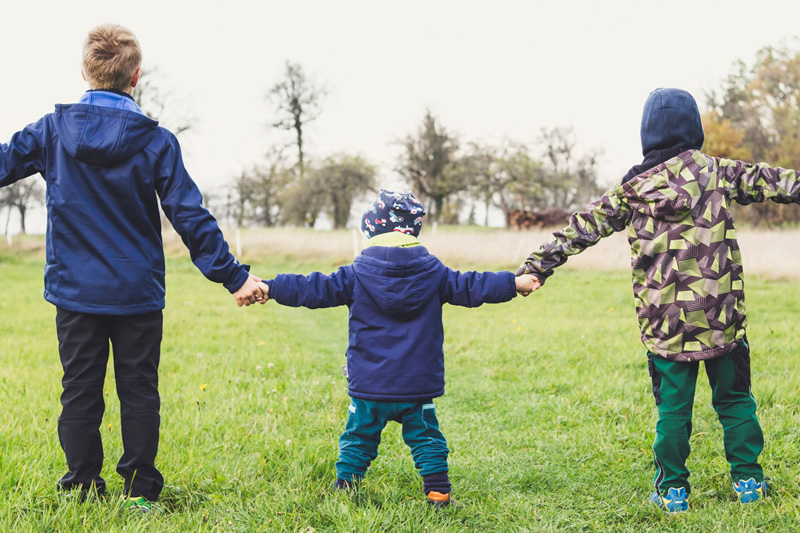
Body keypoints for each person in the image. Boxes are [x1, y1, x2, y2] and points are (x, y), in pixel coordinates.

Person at [0, 24, 265, 511]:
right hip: (137, 293)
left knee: (79, 391)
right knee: (139, 390)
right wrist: (235, 276)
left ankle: (81, 487)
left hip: (76, 293)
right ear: (136, 76)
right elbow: (189, 214)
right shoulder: (157, 141)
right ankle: (141, 493)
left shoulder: (53, 131)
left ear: (84, 71)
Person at [516, 88, 800, 512]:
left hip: (666, 326)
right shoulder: (716, 172)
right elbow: (777, 181)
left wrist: (537, 267)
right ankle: (749, 484)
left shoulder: (631, 190)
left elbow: (580, 227)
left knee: (673, 410)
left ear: (647, 136)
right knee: (735, 400)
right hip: (721, 318)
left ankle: (673, 492)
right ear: (696, 130)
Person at [261, 190, 538, 507]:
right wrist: (514, 283)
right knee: (426, 439)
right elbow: (474, 285)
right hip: (416, 385)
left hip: (369, 385)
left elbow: (312, 288)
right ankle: (437, 492)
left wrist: (270, 287)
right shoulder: (435, 273)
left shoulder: (355, 274)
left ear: (372, 230)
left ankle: (345, 488)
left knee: (359, 437)